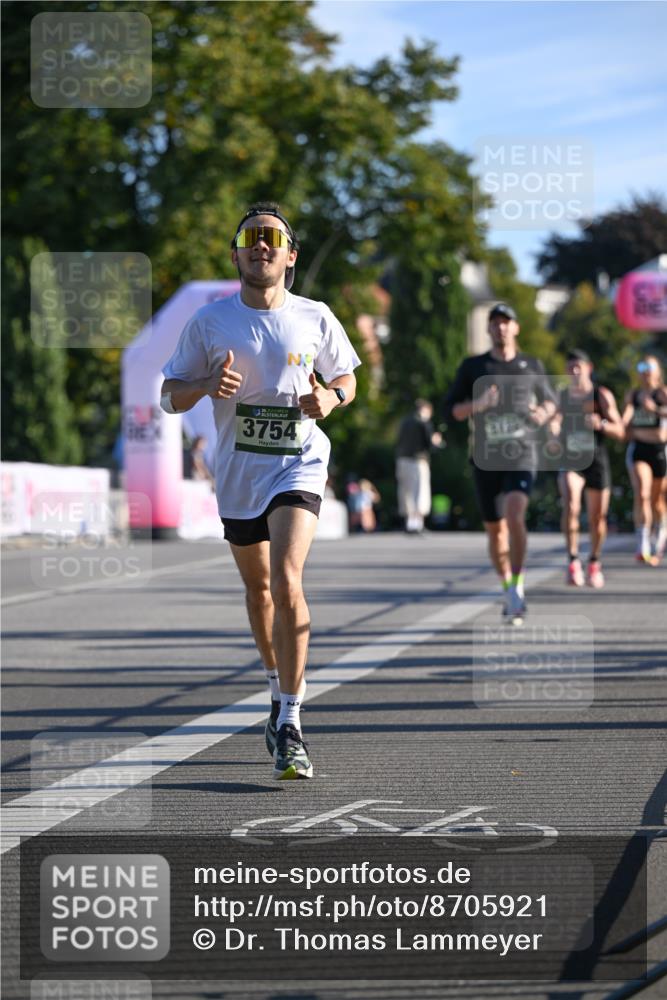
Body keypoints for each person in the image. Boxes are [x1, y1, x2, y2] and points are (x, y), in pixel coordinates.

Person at [160, 202, 360, 779]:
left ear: (290, 255)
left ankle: (293, 722)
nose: (261, 245)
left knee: (287, 578)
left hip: (298, 463)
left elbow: (347, 375)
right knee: (260, 592)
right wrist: (202, 385)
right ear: (236, 254)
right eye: (251, 236)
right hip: (240, 474)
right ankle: (276, 690)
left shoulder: (315, 316)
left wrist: (334, 398)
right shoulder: (209, 322)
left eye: (273, 237)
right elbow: (168, 394)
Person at [444, 302, 557, 622]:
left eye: (506, 322)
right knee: (495, 532)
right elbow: (450, 411)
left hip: (522, 453)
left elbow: (551, 400)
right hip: (485, 456)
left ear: (516, 328)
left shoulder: (531, 365)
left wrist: (543, 412)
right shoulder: (473, 367)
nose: (501, 327)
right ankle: (508, 587)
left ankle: (518, 583)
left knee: (514, 512)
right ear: (488, 329)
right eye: (495, 323)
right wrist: (478, 404)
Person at [550, 350, 624, 588]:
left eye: (578, 366)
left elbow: (621, 431)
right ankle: (573, 561)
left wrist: (600, 424)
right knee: (571, 505)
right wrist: (553, 429)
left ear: (588, 367)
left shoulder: (600, 395)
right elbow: (554, 419)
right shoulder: (562, 396)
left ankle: (594, 562)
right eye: (570, 367)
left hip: (597, 460)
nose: (574, 372)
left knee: (597, 518)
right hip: (571, 459)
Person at [621, 355, 667, 565]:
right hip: (639, 449)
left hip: (660, 450)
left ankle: (661, 531)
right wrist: (622, 422)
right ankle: (643, 542)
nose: (645, 370)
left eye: (649, 366)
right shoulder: (634, 394)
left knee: (657, 501)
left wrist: (656, 410)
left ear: (657, 370)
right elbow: (626, 417)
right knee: (642, 493)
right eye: (641, 366)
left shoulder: (662, 393)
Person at [396, 399, 443, 533]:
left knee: (405, 492)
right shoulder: (423, 423)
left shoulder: (405, 422)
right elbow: (430, 444)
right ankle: (417, 524)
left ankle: (408, 523)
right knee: (420, 492)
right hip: (418, 461)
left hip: (402, 460)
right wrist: (436, 441)